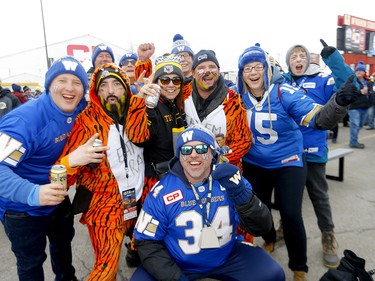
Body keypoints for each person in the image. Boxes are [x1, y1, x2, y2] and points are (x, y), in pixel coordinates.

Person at [236, 43, 358, 281]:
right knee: (260, 213)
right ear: (241, 73)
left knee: (291, 214)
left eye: (257, 66)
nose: (253, 72)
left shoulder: (284, 92)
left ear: (267, 68)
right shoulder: (237, 96)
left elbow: (318, 118)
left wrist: (339, 104)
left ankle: (299, 267)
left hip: (287, 162)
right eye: (247, 68)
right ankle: (270, 238)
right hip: (255, 164)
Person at [131, 125, 285, 281]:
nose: (193, 155)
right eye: (186, 150)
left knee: (273, 274)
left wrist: (241, 196)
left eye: (201, 149)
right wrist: (174, 278)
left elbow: (263, 227)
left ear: (213, 153)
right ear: (179, 156)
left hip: (227, 257)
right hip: (177, 261)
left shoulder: (230, 180)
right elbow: (145, 241)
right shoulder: (163, 190)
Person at [0, 56, 88, 281]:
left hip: (57, 197)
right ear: (49, 85)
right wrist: (33, 193)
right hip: (22, 208)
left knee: (63, 252)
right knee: (31, 264)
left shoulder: (80, 108)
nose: (69, 88)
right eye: (62, 80)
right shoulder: (25, 120)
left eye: (76, 82)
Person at [57, 63, 145, 280]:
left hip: (138, 198)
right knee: (106, 268)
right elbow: (59, 175)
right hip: (104, 207)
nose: (111, 90)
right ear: (96, 92)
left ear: (127, 88)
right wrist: (71, 162)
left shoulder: (137, 111)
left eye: (117, 84)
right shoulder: (86, 122)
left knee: (144, 239)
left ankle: (134, 251)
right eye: (104, 86)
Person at [282, 42, 354, 268]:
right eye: (293, 56)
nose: (298, 59)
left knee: (319, 197)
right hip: (288, 154)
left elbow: (348, 82)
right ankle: (284, 227)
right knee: (287, 199)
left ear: (309, 59)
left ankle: (328, 236)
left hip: (313, 153)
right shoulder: (281, 83)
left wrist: (334, 58)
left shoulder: (323, 80)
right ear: (288, 62)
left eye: (302, 55)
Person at [124, 54, 187, 267]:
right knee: (149, 225)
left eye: (175, 80)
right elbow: (138, 138)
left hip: (174, 174)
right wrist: (139, 102)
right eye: (164, 80)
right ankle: (135, 253)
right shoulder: (151, 105)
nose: (170, 84)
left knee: (166, 224)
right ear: (156, 82)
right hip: (155, 179)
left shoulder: (177, 104)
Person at [348, 61, 373, 148]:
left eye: (361, 70)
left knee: (360, 125)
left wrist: (368, 93)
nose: (358, 72)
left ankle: (354, 139)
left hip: (365, 108)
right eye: (357, 70)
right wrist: (360, 91)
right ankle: (353, 142)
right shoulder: (352, 82)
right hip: (354, 107)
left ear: (364, 72)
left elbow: (371, 93)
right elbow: (349, 92)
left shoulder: (368, 82)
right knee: (354, 125)